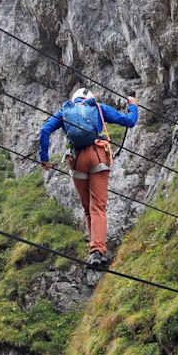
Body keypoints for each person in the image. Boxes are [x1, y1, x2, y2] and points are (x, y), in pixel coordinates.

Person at [39, 89, 139, 267]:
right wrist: (132, 106)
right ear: (89, 99)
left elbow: (44, 131)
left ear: (74, 100)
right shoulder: (98, 108)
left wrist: (44, 159)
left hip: (76, 161)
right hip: (97, 156)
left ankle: (93, 252)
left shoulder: (65, 111)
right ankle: (98, 250)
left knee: (87, 208)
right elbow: (129, 121)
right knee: (98, 207)